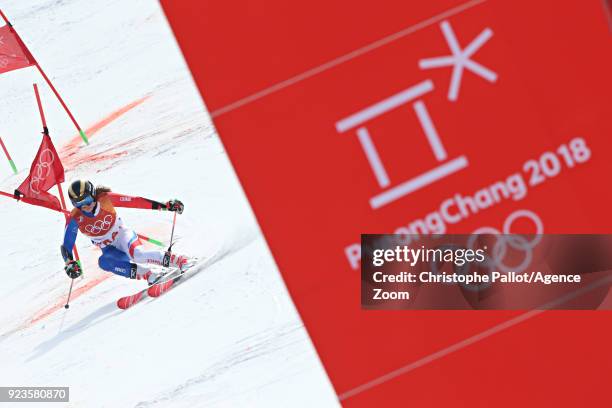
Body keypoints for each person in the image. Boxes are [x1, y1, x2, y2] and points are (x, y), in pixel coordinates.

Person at [61, 179, 188, 285]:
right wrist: (70, 263)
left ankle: (180, 260)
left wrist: (164, 206)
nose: (85, 206)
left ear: (93, 194)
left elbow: (136, 201)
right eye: (79, 204)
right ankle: (150, 274)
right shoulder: (75, 218)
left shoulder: (105, 199)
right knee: (104, 263)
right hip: (109, 248)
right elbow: (67, 244)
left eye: (87, 200)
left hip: (123, 236)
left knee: (137, 255)